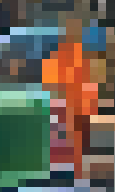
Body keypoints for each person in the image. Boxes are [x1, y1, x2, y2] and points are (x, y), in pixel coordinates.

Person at [41, 9, 101, 169]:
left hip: (78, 113)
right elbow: (50, 87)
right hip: (64, 111)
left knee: (75, 151)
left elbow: (90, 88)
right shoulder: (56, 58)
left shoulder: (84, 59)